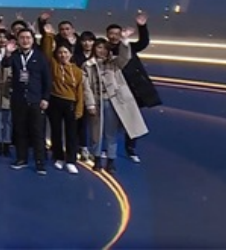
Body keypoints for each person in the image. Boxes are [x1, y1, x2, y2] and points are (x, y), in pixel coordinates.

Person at [83, 35, 149, 175]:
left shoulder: (114, 62)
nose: (102, 51)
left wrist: (124, 42)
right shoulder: (87, 65)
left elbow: (125, 57)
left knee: (111, 133)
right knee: (95, 133)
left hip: (112, 102)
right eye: (99, 47)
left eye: (105, 48)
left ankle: (111, 160)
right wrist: (90, 104)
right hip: (97, 102)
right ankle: (97, 158)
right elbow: (86, 87)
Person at [107, 12, 160, 163]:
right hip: (115, 89)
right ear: (107, 35)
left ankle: (130, 149)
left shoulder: (129, 46)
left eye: (117, 33)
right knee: (112, 120)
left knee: (132, 119)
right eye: (111, 33)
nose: (114, 36)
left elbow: (143, 42)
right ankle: (108, 148)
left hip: (134, 88)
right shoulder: (104, 49)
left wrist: (141, 26)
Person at [41, 17, 84, 175]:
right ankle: (58, 157)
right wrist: (48, 36)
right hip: (55, 102)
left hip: (70, 103)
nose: (63, 55)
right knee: (56, 131)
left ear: (70, 54)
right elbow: (46, 52)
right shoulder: (53, 65)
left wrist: (79, 109)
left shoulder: (77, 71)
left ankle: (71, 160)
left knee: (71, 133)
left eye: (65, 52)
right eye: (60, 53)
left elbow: (80, 91)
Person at [8, 28, 51, 174]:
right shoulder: (14, 56)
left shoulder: (40, 57)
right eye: (22, 38)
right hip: (18, 99)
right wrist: (7, 53)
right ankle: (21, 158)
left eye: (28, 38)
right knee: (20, 131)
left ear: (33, 40)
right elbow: (4, 65)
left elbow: (47, 79)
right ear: (18, 40)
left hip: (36, 99)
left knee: (38, 132)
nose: (25, 40)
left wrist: (45, 98)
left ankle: (40, 162)